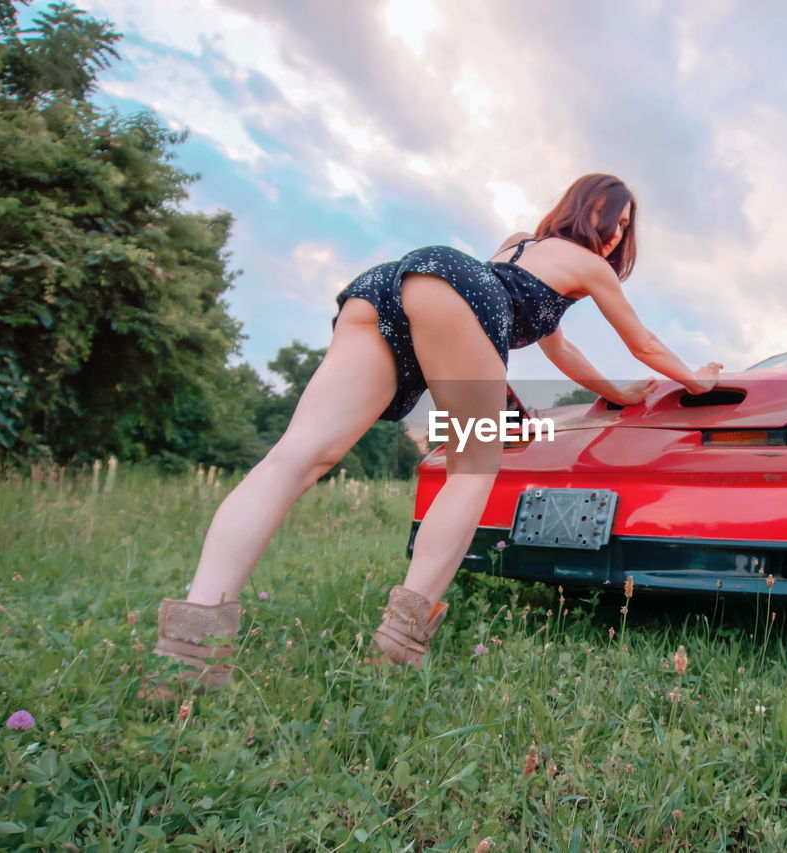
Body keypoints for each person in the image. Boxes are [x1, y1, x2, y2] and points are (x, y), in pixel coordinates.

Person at [141, 173, 722, 699]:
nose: (618, 236)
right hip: (456, 291)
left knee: (294, 457)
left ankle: (188, 653)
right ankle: (397, 646)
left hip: (389, 286)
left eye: (625, 228)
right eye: (614, 219)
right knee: (472, 470)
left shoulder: (521, 245)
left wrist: (618, 393)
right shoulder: (587, 266)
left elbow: (559, 349)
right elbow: (642, 342)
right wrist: (695, 379)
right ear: (586, 207)